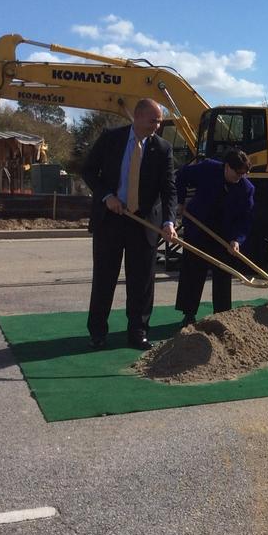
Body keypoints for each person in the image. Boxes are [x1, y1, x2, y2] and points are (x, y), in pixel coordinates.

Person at [82, 99, 176, 350]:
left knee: (142, 281)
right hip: (110, 219)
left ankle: (138, 332)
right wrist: (107, 196)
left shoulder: (163, 148)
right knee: (105, 278)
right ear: (138, 116)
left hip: (144, 223)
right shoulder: (111, 138)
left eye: (159, 121)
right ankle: (98, 332)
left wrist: (169, 221)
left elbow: (168, 189)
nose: (157, 125)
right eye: (153, 120)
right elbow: (89, 170)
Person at [174, 149, 255, 328]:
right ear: (227, 167)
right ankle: (189, 314)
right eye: (238, 173)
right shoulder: (208, 169)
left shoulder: (246, 189)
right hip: (198, 227)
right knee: (193, 271)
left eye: (244, 174)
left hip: (224, 235)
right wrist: (180, 201)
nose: (240, 177)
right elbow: (181, 176)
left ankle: (222, 314)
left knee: (223, 273)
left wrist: (236, 240)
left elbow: (245, 219)